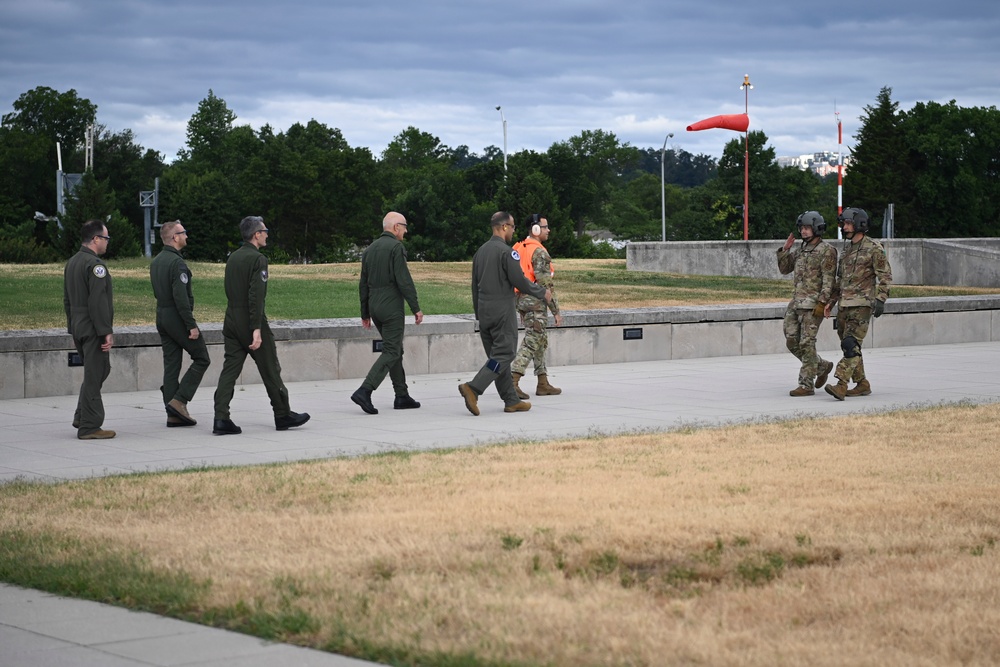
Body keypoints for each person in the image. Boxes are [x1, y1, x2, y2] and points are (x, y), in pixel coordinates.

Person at [212, 216, 310, 434]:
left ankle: (221, 417)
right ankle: (282, 413)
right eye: (264, 231)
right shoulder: (258, 259)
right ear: (256, 235)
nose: (267, 234)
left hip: (231, 319)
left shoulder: (233, 258)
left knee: (230, 370)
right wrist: (256, 329)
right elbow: (256, 296)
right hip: (250, 320)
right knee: (270, 368)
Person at [459, 211, 551, 416]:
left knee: (497, 357)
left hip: (484, 311)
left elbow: (474, 286)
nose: (513, 231)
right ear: (503, 227)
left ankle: (511, 400)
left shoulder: (480, 252)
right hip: (502, 310)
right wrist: (541, 292)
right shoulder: (506, 252)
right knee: (505, 354)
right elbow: (519, 280)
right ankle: (473, 388)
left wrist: (478, 314)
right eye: (512, 227)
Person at [350, 212, 424, 414]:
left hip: (375, 306)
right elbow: (404, 280)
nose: (406, 231)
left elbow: (363, 283)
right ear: (396, 227)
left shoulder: (370, 249)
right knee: (391, 351)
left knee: (395, 349)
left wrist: (365, 312)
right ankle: (365, 390)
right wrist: (415, 307)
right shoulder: (396, 247)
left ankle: (402, 396)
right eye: (405, 226)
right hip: (391, 307)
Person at [824, 207, 892, 400]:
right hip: (844, 305)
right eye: (843, 224)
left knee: (850, 344)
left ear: (859, 225)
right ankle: (862, 383)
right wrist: (831, 302)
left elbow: (885, 275)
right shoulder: (846, 251)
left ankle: (841, 384)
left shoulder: (873, 248)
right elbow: (840, 281)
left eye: (847, 224)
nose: (844, 227)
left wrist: (881, 299)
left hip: (862, 305)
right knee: (850, 347)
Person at [149, 220, 210, 427]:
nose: (186, 236)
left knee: (171, 365)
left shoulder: (157, 261)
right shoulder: (177, 263)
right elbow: (180, 297)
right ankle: (179, 400)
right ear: (174, 237)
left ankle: (173, 415)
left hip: (162, 316)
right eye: (183, 233)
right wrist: (191, 325)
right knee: (202, 357)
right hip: (176, 317)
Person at [63, 219, 116, 439]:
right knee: (96, 373)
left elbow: (67, 299)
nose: (107, 243)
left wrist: (72, 325)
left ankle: (81, 415)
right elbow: (98, 302)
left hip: (78, 326)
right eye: (106, 238)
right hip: (93, 329)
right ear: (95, 239)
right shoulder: (96, 266)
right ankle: (90, 426)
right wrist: (105, 330)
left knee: (97, 371)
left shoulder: (73, 262)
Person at [776, 211, 838, 396]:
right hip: (796, 303)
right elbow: (785, 269)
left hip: (813, 305)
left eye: (807, 228)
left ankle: (806, 384)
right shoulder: (802, 250)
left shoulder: (827, 250)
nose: (803, 231)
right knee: (791, 340)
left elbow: (829, 280)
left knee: (806, 343)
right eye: (801, 228)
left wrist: (823, 303)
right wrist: (784, 251)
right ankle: (821, 366)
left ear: (817, 228)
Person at [511, 214, 564, 399]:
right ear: (535, 229)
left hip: (522, 301)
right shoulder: (539, 252)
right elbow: (545, 284)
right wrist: (556, 311)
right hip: (536, 302)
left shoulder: (518, 248)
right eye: (545, 227)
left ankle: (543, 383)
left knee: (540, 340)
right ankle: (513, 381)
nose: (548, 230)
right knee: (533, 341)